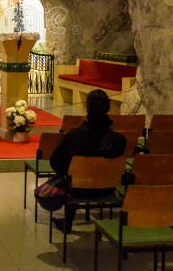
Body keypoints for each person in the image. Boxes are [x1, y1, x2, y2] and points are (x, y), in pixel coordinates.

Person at [49, 89, 127, 233]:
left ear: (87, 108)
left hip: (78, 190)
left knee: (70, 178)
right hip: (108, 189)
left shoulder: (74, 136)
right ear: (108, 108)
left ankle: (68, 222)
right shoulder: (119, 140)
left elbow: (55, 162)